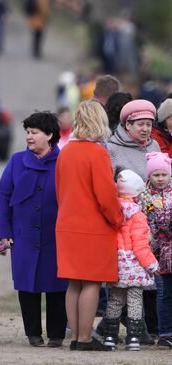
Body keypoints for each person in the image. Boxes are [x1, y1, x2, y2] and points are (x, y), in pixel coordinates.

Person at [55, 100, 123, 351]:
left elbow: (59, 190)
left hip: (67, 224)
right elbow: (105, 195)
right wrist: (118, 219)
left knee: (74, 283)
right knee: (92, 283)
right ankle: (85, 338)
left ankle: (75, 338)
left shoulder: (65, 151)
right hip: (92, 227)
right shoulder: (97, 152)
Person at [0, 112, 68, 347]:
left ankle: (57, 334)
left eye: (34, 132)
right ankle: (33, 333)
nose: (29, 136)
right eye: (27, 132)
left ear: (49, 135)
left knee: (58, 285)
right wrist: (4, 231)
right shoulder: (17, 161)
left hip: (55, 235)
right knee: (27, 284)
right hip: (23, 234)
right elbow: (5, 196)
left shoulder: (64, 162)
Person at [100, 169, 158, 351]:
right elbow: (140, 246)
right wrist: (151, 264)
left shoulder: (111, 211)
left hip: (115, 265)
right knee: (134, 300)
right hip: (133, 266)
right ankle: (133, 338)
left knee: (115, 300)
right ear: (137, 193)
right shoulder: (138, 215)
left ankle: (110, 336)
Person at [137, 152, 172, 348]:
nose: (160, 179)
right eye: (156, 175)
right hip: (157, 251)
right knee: (163, 292)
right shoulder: (145, 197)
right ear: (149, 176)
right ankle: (164, 332)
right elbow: (152, 221)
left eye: (163, 175)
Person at [108, 99, 160, 181]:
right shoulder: (112, 149)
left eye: (148, 124)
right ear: (128, 125)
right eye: (140, 124)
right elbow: (108, 183)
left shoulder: (154, 145)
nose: (145, 129)